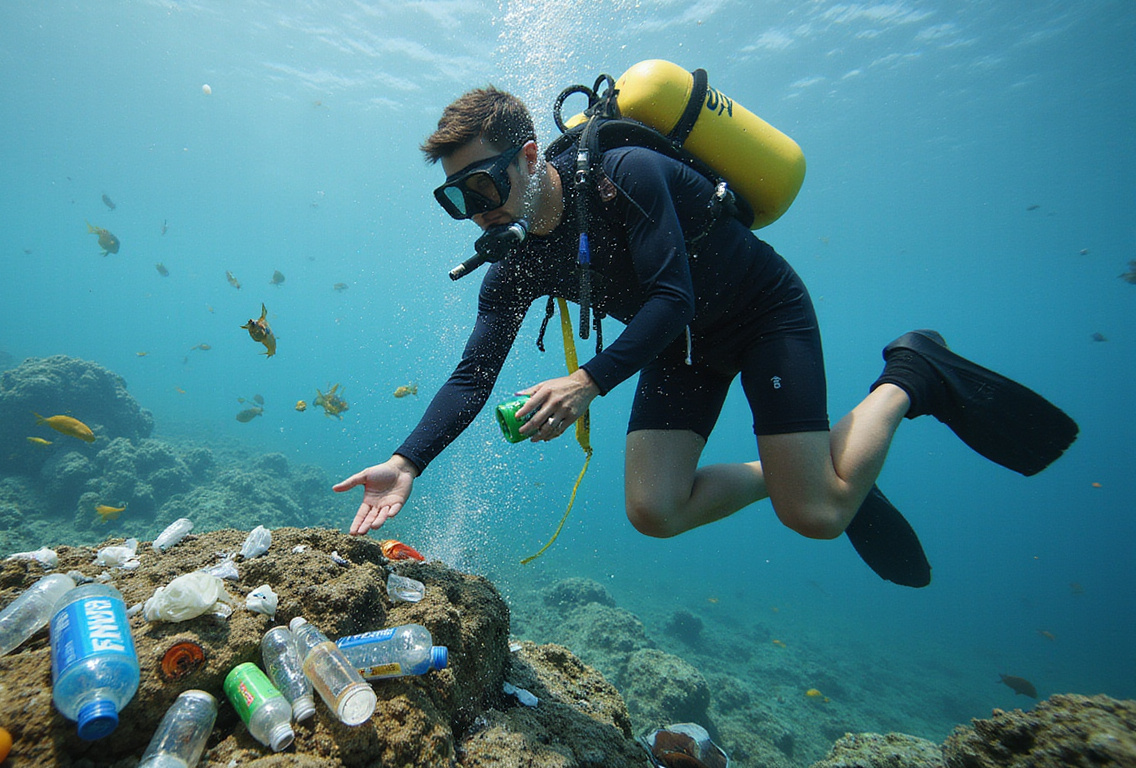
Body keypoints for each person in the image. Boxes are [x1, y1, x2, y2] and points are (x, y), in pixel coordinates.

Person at [334, 85, 1076, 586]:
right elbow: (472, 379)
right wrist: (408, 461)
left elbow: (671, 297)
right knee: (655, 511)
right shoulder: (513, 267)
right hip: (679, 342)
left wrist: (588, 380)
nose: (476, 211)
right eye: (455, 198)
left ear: (530, 158)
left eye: (484, 185)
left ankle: (913, 372)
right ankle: (805, 468)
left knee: (815, 517)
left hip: (760, 316)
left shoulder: (626, 172)